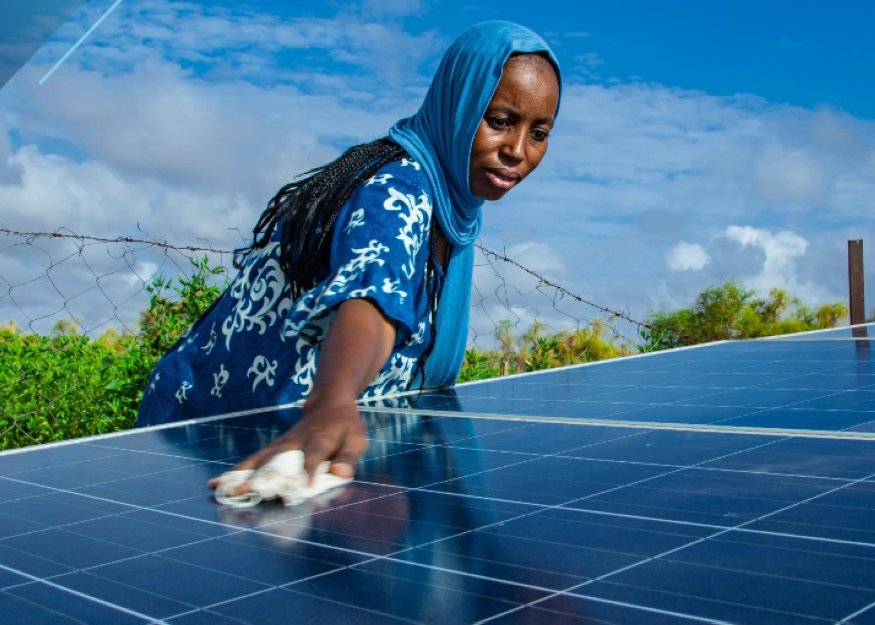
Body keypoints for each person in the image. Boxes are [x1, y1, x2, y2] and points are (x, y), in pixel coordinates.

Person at [135, 21, 561, 486]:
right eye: (499, 121)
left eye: (539, 133)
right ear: (458, 104)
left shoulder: (454, 210)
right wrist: (335, 398)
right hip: (199, 435)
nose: (517, 150)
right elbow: (372, 300)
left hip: (286, 439)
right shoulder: (395, 191)